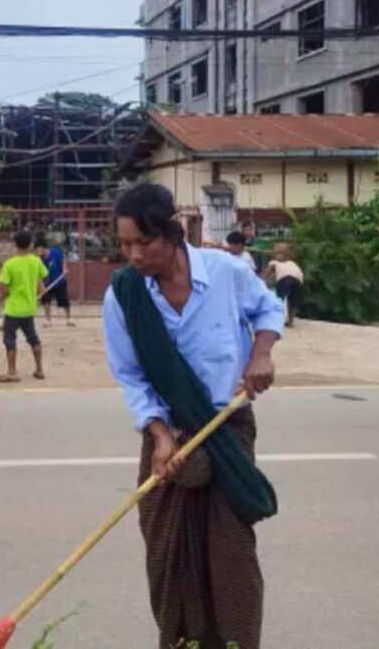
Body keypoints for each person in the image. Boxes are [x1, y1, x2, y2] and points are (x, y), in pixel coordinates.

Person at [102, 183, 284, 649]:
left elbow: (268, 308)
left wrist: (261, 353)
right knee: (167, 555)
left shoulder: (226, 272)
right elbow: (131, 376)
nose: (134, 254)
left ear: (172, 233)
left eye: (144, 242)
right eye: (125, 244)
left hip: (226, 430)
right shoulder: (123, 296)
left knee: (231, 557)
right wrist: (161, 435)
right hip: (167, 436)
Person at [0, 230, 48, 383]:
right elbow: (42, 279)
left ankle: (12, 372)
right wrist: (39, 289)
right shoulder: (36, 261)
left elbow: (4, 287)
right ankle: (39, 369)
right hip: (29, 309)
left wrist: (4, 298)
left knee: (9, 339)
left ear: (15, 244)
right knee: (33, 338)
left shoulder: (9, 264)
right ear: (30, 245)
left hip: (13, 309)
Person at [35, 233, 73, 327]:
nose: (38, 252)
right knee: (46, 302)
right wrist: (42, 286)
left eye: (40, 249)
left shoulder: (55, 252)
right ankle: (48, 321)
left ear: (44, 248)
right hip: (47, 283)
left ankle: (68, 319)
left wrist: (64, 269)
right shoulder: (38, 260)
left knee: (64, 301)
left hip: (59, 281)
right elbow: (38, 274)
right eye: (37, 250)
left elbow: (63, 260)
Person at [264, 244, 304, 327]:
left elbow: (266, 273)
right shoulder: (292, 263)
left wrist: (262, 280)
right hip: (298, 279)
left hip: (284, 278)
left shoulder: (274, 262)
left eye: (278, 253)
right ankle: (291, 322)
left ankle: (277, 319)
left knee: (279, 299)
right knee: (293, 301)